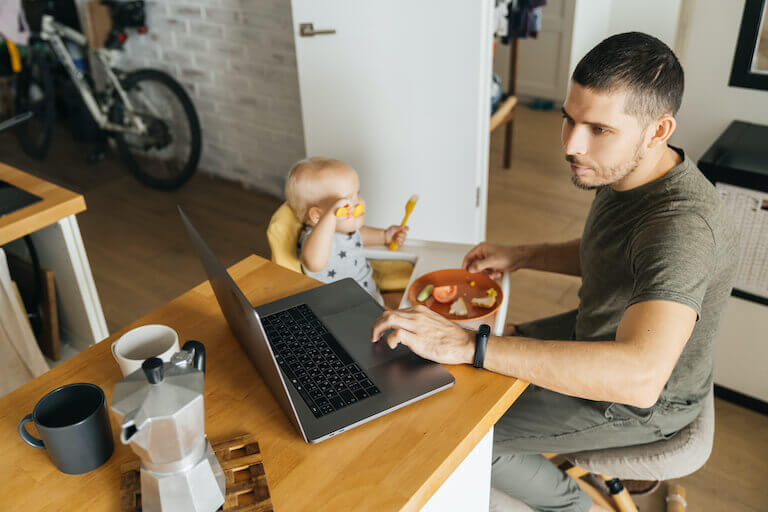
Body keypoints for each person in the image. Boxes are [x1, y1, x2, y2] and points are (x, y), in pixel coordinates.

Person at [370, 32, 738, 512]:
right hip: (600, 333)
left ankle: (571, 506)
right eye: (569, 118)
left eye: (598, 129)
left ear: (658, 129)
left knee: (456, 431)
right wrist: (524, 254)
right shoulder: (624, 167)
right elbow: (612, 253)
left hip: (635, 399)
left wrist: (467, 345)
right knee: (466, 358)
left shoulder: (683, 230)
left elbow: (640, 379)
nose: (572, 144)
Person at [285, 157, 408, 305]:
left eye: (358, 194)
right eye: (345, 204)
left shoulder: (344, 230)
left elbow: (358, 235)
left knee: (410, 302)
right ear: (318, 216)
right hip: (349, 309)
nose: (360, 203)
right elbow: (313, 263)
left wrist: (384, 236)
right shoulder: (317, 240)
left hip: (371, 295)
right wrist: (330, 217)